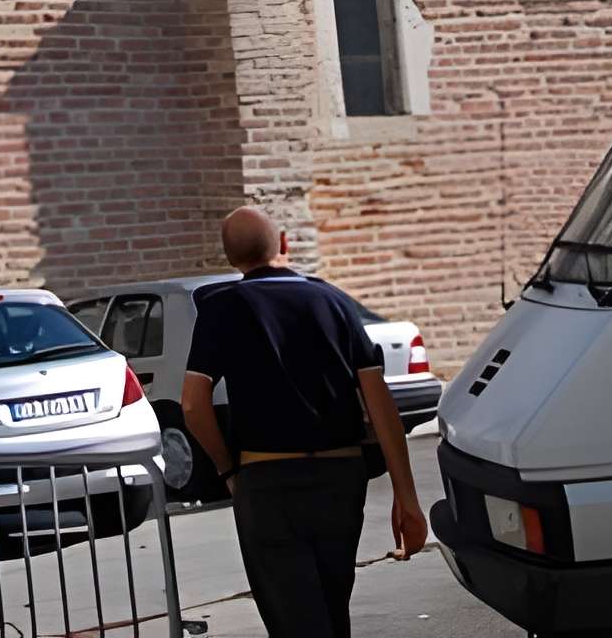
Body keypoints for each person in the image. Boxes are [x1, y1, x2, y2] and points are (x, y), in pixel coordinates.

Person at [179, 206, 428, 638]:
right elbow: (379, 400)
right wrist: (406, 496)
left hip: (267, 480)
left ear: (230, 259)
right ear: (285, 244)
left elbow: (192, 405)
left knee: (295, 619)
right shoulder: (333, 301)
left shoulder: (223, 308)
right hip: (340, 475)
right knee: (333, 611)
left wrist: (228, 470)